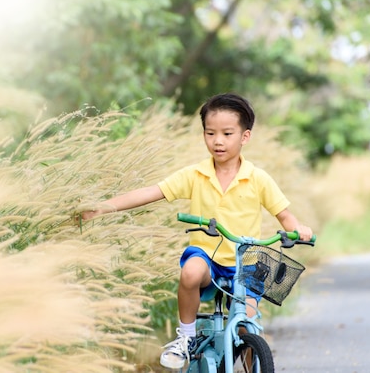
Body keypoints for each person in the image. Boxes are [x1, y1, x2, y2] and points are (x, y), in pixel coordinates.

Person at [80, 92, 313, 370]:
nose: (218, 141)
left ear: (245, 137)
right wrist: (103, 207)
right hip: (207, 256)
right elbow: (151, 192)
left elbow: (285, 215)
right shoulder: (195, 174)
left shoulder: (258, 178)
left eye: (227, 133)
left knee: (247, 327)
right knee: (190, 271)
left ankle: (253, 362)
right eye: (210, 133)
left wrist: (298, 230)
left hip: (247, 259)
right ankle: (186, 338)